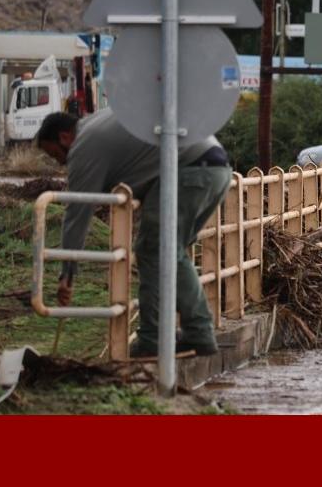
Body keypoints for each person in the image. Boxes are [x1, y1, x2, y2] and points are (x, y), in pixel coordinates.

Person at [36, 110, 232, 358]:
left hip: (189, 171)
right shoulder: (98, 124)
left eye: (54, 155)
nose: (59, 163)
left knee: (157, 250)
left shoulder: (84, 145)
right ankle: (178, 333)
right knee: (168, 252)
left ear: (64, 137)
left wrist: (68, 271)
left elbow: (78, 209)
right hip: (214, 168)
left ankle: (174, 336)